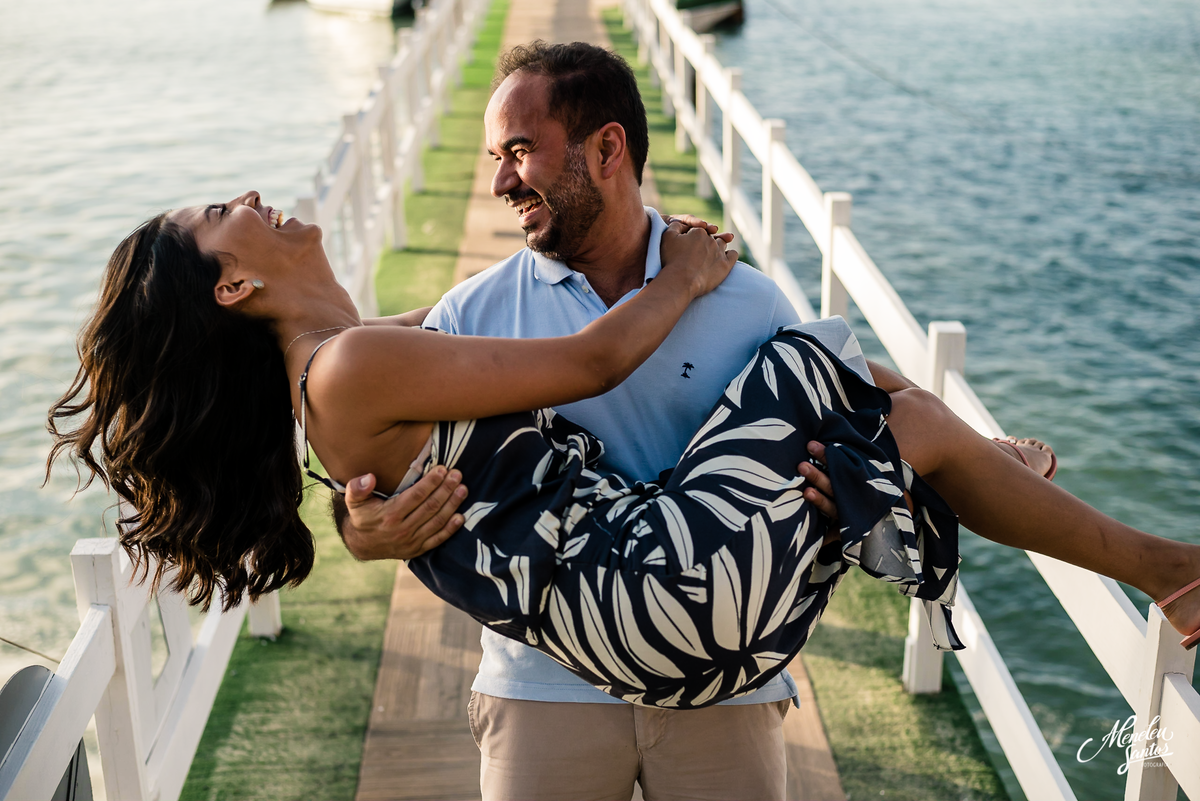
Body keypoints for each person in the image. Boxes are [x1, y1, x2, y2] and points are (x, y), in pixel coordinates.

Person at [47, 49, 1200, 801]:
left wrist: (356, 524)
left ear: (607, 149)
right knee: (889, 401)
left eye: (519, 152)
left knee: (853, 383)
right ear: (234, 286)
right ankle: (1156, 563)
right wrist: (687, 274)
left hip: (660, 622)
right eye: (225, 214)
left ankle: (950, 458)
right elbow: (593, 359)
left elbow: (395, 410)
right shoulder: (377, 356)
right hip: (644, 605)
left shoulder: (370, 356)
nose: (251, 200)